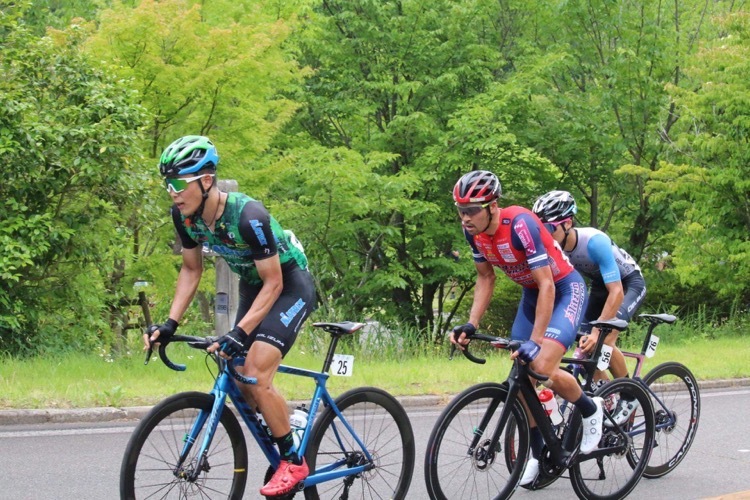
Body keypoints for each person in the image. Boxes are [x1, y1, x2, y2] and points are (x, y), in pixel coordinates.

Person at [144, 135, 317, 497]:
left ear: (206, 180)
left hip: (288, 286)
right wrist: (170, 323)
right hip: (254, 286)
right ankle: (290, 422)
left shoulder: (249, 216)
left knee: (255, 370)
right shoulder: (185, 218)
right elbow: (191, 270)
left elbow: (274, 283)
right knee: (238, 376)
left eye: (178, 183)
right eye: (167, 184)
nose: (172, 193)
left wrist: (239, 331)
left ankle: (293, 460)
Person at [450, 170, 603, 486]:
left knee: (541, 365)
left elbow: (547, 283)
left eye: (471, 210)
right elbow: (485, 278)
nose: (464, 217)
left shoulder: (521, 223)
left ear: (493, 206)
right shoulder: (474, 234)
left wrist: (535, 340)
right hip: (532, 294)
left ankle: (590, 409)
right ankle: (536, 452)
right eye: (460, 210)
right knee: (522, 377)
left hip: (563, 290)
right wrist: (471, 323)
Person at [533, 190, 647, 425]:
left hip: (627, 284)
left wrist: (598, 331)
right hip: (599, 286)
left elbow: (616, 291)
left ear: (568, 223)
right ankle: (606, 393)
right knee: (584, 346)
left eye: (549, 228)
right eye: (539, 229)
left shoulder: (594, 241)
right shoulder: (553, 249)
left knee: (603, 339)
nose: (545, 235)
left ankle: (629, 394)